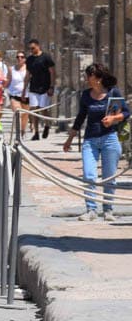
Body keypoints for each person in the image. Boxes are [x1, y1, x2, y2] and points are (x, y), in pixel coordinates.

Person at [63, 63, 130, 222]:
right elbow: (80, 118)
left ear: (98, 78)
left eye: (89, 76)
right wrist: (70, 139)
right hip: (90, 140)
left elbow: (127, 112)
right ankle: (91, 209)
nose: (86, 79)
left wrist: (114, 118)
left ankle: (108, 209)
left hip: (110, 138)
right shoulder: (86, 95)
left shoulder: (113, 92)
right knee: (89, 174)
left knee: (109, 177)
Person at [25, 38, 56, 140]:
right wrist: (24, 90)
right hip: (33, 87)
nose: (32, 50)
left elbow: (52, 72)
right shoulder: (29, 60)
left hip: (45, 87)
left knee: (43, 109)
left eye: (33, 48)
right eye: (30, 49)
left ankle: (47, 125)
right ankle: (36, 132)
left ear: (38, 46)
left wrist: (51, 86)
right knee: (34, 110)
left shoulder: (46, 57)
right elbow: (28, 74)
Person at [7, 51, 30, 136]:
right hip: (14, 94)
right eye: (18, 57)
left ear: (25, 59)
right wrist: (1, 85)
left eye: (22, 57)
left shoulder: (29, 69)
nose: (19, 58)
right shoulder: (11, 69)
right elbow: (8, 81)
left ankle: (22, 132)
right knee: (18, 112)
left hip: (26, 94)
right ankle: (17, 134)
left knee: (25, 115)